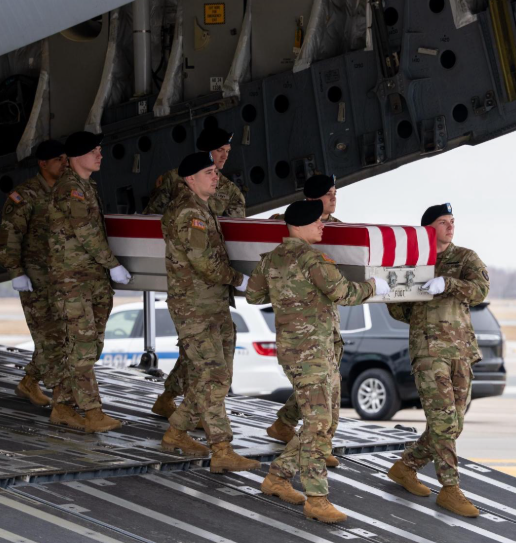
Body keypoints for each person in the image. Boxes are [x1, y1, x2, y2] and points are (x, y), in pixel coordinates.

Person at [246, 199, 388, 522]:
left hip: (299, 352)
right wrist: (373, 287)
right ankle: (316, 498)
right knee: (318, 422)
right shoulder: (312, 260)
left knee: (322, 420)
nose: (322, 225)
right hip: (311, 354)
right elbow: (344, 294)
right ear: (299, 226)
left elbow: (253, 295)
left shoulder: (272, 260)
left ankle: (278, 476)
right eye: (317, 222)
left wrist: (287, 293)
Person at [385, 203, 489, 518]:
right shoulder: (414, 261)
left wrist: (449, 284)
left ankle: (406, 466)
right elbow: (396, 306)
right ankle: (449, 489)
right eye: (443, 222)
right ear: (429, 228)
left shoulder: (466, 258)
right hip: (429, 352)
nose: (450, 226)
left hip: (461, 351)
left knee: (452, 424)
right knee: (444, 421)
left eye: (452, 221)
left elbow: (480, 289)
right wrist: (420, 304)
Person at [157, 152, 258, 473]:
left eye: (216, 172)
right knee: (212, 373)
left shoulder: (202, 208)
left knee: (216, 375)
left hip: (212, 304)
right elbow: (204, 262)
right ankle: (222, 449)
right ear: (190, 179)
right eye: (209, 173)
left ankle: (175, 431)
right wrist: (238, 279)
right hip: (195, 308)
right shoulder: (189, 213)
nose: (216, 177)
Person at [149, 127, 245, 419]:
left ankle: (177, 403)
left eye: (227, 154)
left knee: (205, 356)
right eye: (218, 153)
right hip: (191, 287)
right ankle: (187, 421)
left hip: (213, 288)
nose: (222, 161)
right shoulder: (174, 181)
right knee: (204, 358)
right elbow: (152, 217)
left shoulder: (229, 190)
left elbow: (236, 234)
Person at [47, 131, 132, 433]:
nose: (100, 155)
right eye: (94, 150)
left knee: (89, 346)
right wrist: (113, 265)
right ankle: (92, 412)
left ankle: (62, 405)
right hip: (73, 282)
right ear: (77, 156)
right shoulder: (71, 189)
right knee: (82, 347)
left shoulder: (86, 186)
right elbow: (85, 232)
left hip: (90, 279)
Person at [266, 175, 342, 469]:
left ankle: (289, 425)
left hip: (325, 317)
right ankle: (319, 444)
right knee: (322, 385)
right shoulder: (287, 221)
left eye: (336, 193)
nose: (334, 199)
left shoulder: (338, 227)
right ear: (311, 200)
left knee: (323, 383)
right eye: (329, 194)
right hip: (302, 322)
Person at [0, 141, 72, 418]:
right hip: (36, 280)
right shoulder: (25, 195)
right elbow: (9, 238)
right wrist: (15, 272)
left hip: (63, 278)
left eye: (66, 158)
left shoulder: (67, 191)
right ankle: (63, 401)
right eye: (58, 160)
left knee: (60, 336)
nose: (64, 164)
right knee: (50, 338)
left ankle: (29, 381)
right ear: (43, 163)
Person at [143, 126, 245, 217]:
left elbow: (237, 232)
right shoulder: (172, 179)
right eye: (219, 150)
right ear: (206, 150)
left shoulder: (231, 191)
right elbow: (151, 219)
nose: (225, 156)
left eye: (227, 151)